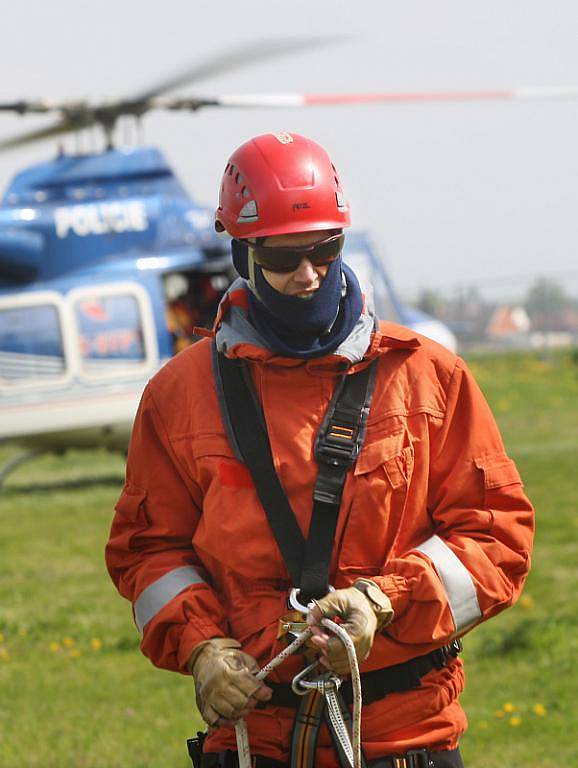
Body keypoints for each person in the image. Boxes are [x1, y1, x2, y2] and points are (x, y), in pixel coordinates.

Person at [106, 132, 534, 768]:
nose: (308, 275)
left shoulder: (428, 378)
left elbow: (496, 535)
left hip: (402, 740)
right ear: (241, 255)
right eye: (282, 257)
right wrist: (203, 650)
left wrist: (382, 603)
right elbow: (149, 549)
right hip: (254, 740)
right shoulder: (179, 395)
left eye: (325, 249)